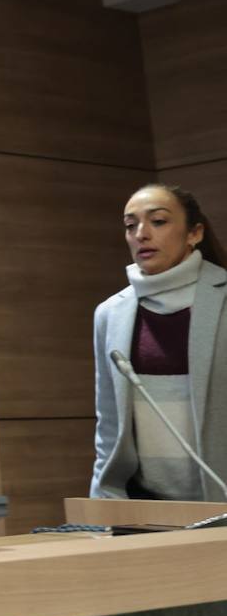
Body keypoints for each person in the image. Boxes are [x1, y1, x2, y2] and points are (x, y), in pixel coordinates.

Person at [92, 183, 227, 499]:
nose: (141, 234)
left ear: (194, 233)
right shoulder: (109, 314)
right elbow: (109, 427)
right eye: (130, 225)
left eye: (158, 221)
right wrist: (102, 511)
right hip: (146, 510)